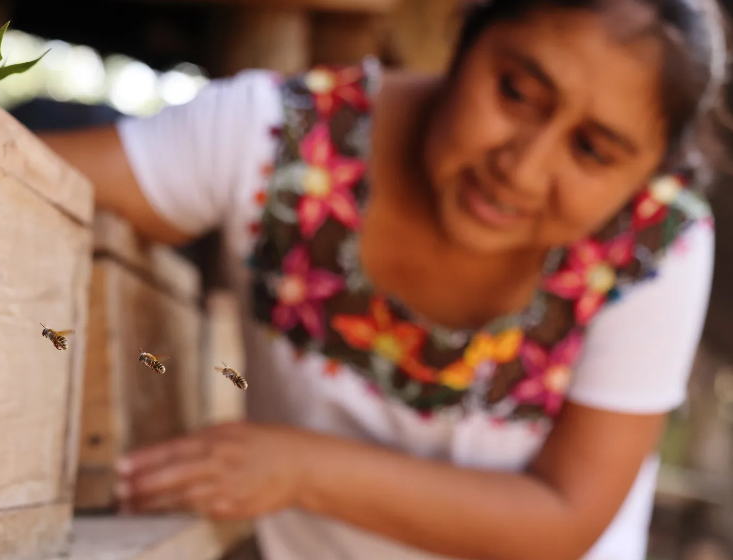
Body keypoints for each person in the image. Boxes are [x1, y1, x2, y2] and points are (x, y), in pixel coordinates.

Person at [39, 1, 726, 559]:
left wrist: (298, 468)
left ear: (646, 177)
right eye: (515, 91)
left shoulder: (658, 246)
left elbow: (564, 516)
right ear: (466, 29)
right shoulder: (269, 137)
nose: (521, 167)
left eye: (591, 150)